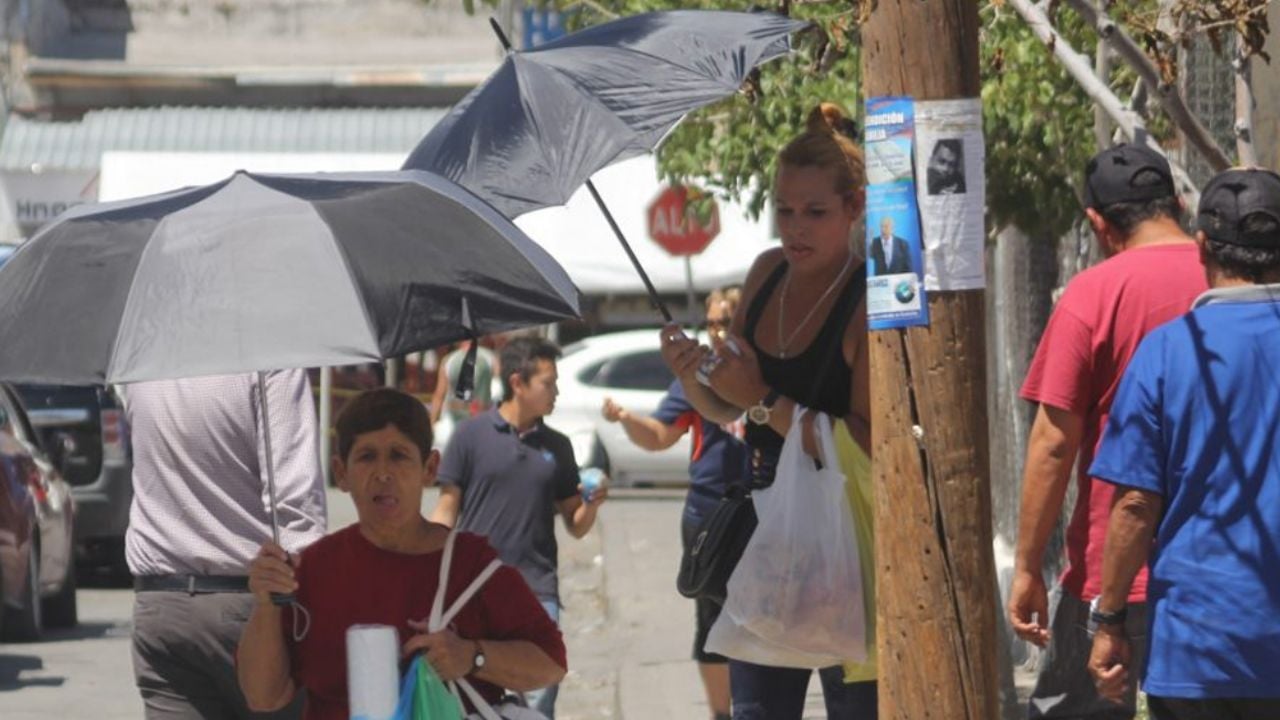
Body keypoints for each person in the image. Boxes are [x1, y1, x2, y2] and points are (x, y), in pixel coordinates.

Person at [660, 102, 874, 720]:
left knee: (855, 707)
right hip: (763, 529)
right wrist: (692, 373)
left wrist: (761, 399)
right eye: (784, 210)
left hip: (843, 536)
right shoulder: (766, 272)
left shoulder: (867, 298)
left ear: (855, 207)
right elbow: (727, 404)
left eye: (815, 212)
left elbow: (866, 442)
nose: (795, 228)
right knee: (754, 710)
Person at [1007, 143, 1208, 720]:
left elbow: (1053, 444)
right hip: (1216, 571)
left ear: (1097, 223)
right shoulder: (1229, 280)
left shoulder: (1092, 294)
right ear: (1176, 203)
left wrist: (1028, 567)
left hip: (1111, 573)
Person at [238, 387, 566, 719]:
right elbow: (264, 696)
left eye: (399, 455)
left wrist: (471, 656)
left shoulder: (471, 566)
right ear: (341, 473)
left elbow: (551, 664)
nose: (383, 473)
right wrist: (266, 605)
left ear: (430, 468)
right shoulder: (313, 569)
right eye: (367, 456)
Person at [1086, 168, 1280, 720]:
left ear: (1202, 247)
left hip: (1198, 646)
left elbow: (1135, 504)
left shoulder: (1167, 352)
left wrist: (1110, 620)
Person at [124, 371, 328, 719]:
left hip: (160, 604)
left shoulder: (141, 363)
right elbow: (297, 511)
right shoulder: (272, 364)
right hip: (254, 607)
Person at [430, 335, 607, 719]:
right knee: (476, 694)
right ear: (517, 383)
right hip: (474, 590)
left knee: (539, 699)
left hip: (537, 589)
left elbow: (576, 524)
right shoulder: (469, 436)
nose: (556, 392)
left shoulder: (558, 446)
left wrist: (592, 505)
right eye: (548, 383)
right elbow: (446, 510)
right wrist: (421, 562)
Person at [601, 285, 746, 720]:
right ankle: (722, 714)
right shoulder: (696, 375)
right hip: (708, 512)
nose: (717, 331)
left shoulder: (762, 372)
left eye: (726, 322)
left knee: (761, 617)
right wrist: (627, 419)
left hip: (763, 508)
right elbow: (659, 436)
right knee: (712, 617)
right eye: (712, 322)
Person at [430, 338, 499, 426]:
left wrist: (432, 423)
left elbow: (439, 395)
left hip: (453, 419)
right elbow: (499, 390)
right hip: (482, 417)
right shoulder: (491, 358)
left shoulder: (448, 360)